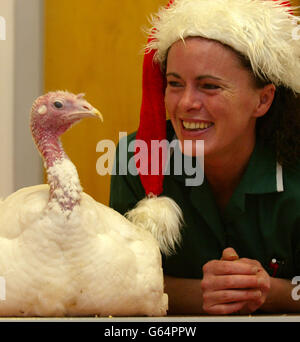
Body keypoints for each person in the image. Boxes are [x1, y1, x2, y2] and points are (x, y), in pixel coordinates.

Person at [109, 0, 300, 315]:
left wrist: (266, 290)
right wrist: (203, 294)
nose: (185, 104)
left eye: (209, 86)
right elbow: (119, 282)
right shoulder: (137, 157)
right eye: (174, 84)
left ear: (263, 99)